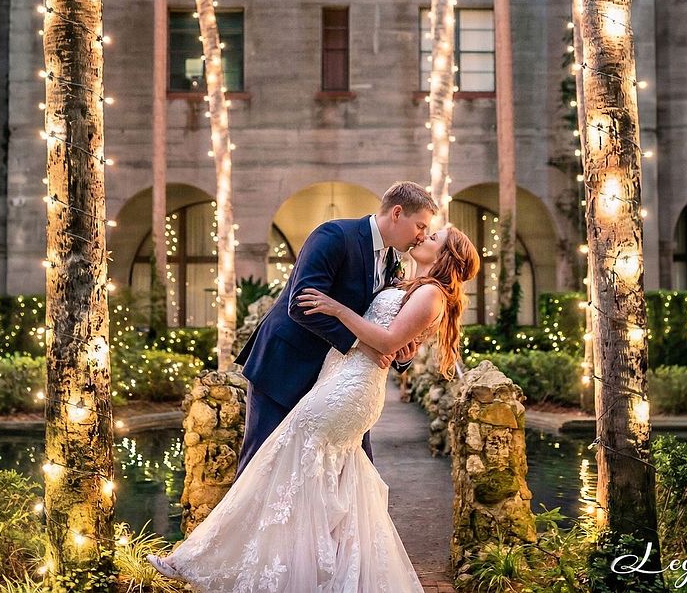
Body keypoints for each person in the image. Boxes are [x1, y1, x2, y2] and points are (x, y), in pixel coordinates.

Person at [148, 224, 481, 591]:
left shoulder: (431, 293)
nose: (423, 236)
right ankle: (319, 573)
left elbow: (387, 342)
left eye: (433, 237)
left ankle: (221, 562)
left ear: (445, 256)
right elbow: (393, 338)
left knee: (282, 464)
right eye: (424, 229)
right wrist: (393, 344)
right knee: (313, 475)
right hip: (335, 379)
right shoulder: (407, 281)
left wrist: (337, 310)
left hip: (350, 390)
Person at [233, 181, 437, 473]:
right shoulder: (335, 236)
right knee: (261, 466)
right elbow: (301, 304)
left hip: (340, 381)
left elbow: (377, 319)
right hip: (285, 367)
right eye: (420, 226)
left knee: (348, 471)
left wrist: (401, 355)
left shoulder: (392, 259)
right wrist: (361, 345)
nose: (422, 236)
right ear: (396, 213)